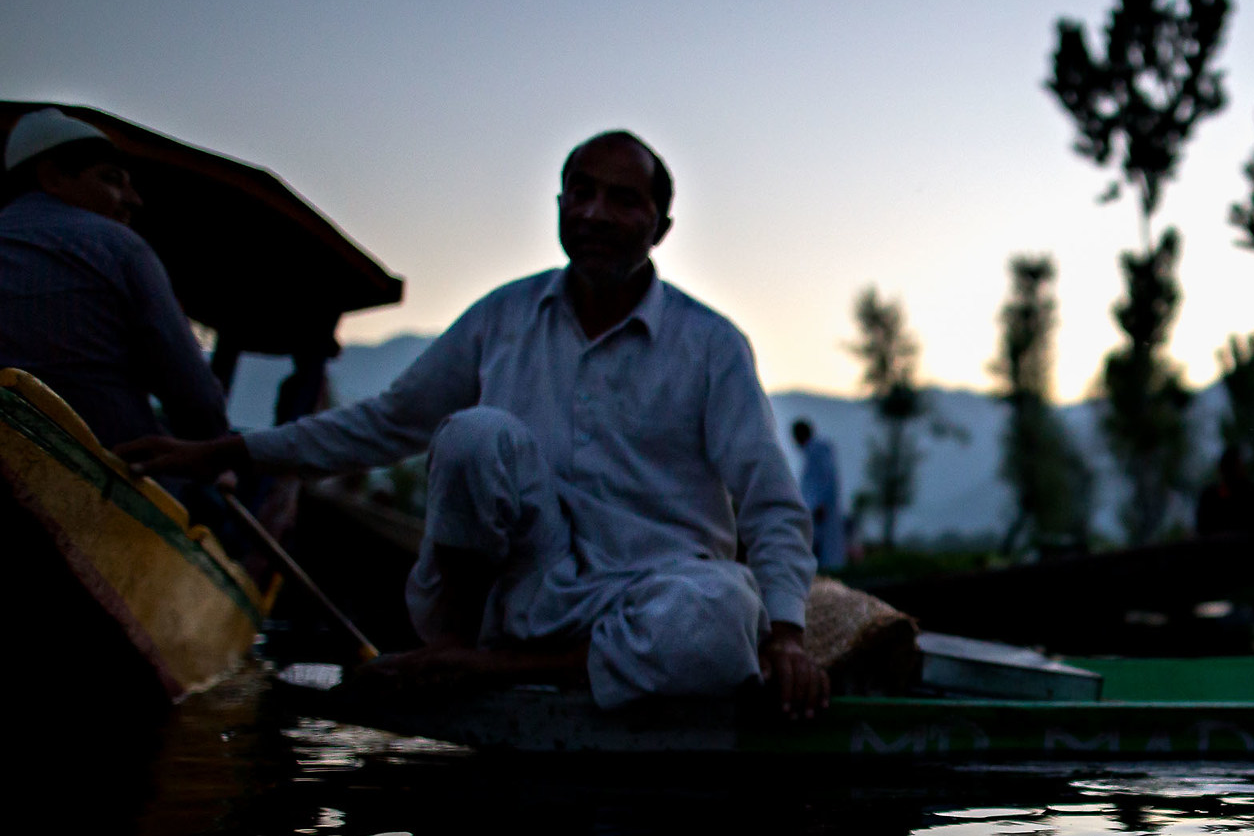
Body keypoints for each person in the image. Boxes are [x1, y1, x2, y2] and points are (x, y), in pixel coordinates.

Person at [126, 131, 828, 717]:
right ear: (558, 204)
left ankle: (479, 669)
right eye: (579, 192)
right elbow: (386, 423)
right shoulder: (502, 317)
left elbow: (769, 498)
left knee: (722, 620)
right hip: (524, 594)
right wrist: (225, 451)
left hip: (656, 603)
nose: (594, 213)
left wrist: (789, 637)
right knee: (473, 434)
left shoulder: (711, 344)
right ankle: (455, 652)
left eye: (623, 199)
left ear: (660, 228)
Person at [0, 108, 229, 451]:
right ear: (51, 177)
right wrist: (212, 450)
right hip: (105, 469)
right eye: (111, 179)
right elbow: (198, 405)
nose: (133, 200)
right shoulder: (116, 244)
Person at [789, 417, 846, 570]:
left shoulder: (818, 451)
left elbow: (826, 478)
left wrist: (820, 503)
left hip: (820, 508)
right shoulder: (814, 451)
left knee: (823, 544)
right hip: (815, 506)